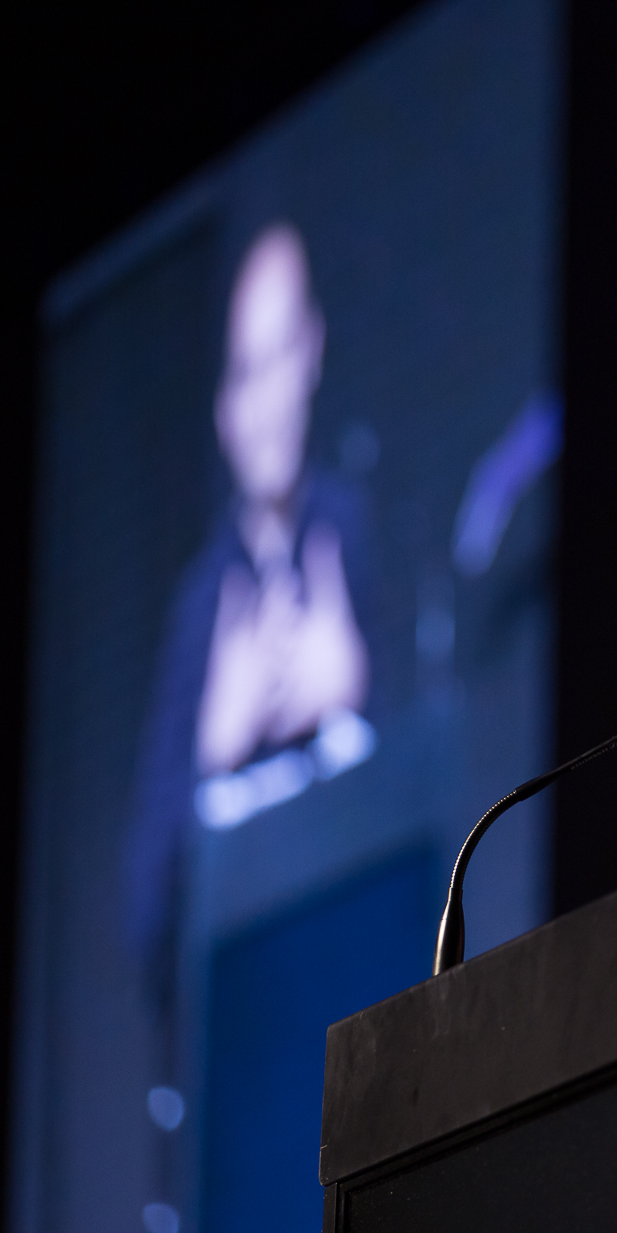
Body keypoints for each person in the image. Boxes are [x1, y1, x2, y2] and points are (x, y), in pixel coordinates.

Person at [123, 222, 376, 984]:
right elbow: (144, 916)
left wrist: (358, 702)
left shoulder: (354, 535)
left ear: (312, 351)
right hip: (245, 998)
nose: (265, 403)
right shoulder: (202, 607)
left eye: (280, 358)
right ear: (223, 411)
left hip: (355, 975)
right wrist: (213, 753)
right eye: (245, 373)